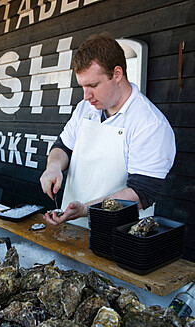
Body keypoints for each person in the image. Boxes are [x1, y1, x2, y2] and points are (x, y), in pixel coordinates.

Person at [40, 33, 176, 228]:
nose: (86, 95)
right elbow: (63, 146)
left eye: (93, 85)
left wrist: (85, 209)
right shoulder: (85, 109)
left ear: (117, 74)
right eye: (83, 86)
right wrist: (53, 166)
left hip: (117, 236)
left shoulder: (150, 124)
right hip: (71, 227)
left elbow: (142, 193)